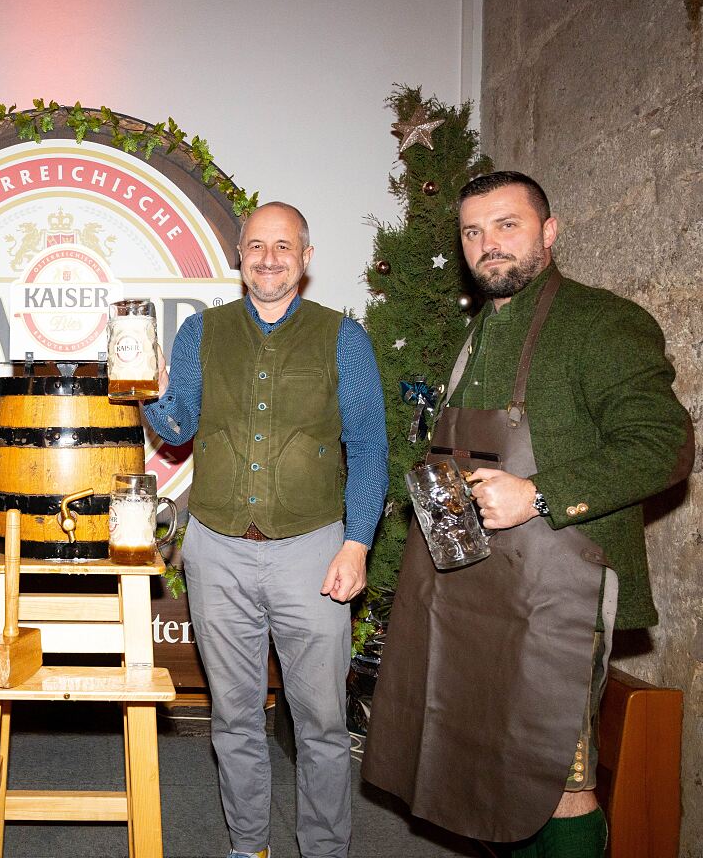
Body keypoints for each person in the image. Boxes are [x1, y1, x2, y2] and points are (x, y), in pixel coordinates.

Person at [362, 171, 693, 857]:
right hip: (478, 588)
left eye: (506, 225)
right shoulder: (481, 330)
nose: (489, 245)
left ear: (549, 231)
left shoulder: (601, 322)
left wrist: (536, 493)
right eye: (473, 232)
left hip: (560, 589)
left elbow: (665, 446)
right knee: (493, 770)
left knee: (557, 774)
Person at [141, 202, 389, 858]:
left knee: (322, 724)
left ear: (305, 259)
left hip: (314, 551)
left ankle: (324, 852)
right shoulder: (201, 332)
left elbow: (369, 448)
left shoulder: (344, 336)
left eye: (284, 246)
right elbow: (178, 427)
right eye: (256, 245)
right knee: (234, 720)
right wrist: (142, 389)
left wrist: (357, 543)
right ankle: (247, 848)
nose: (269, 257)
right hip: (217, 549)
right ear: (240, 257)